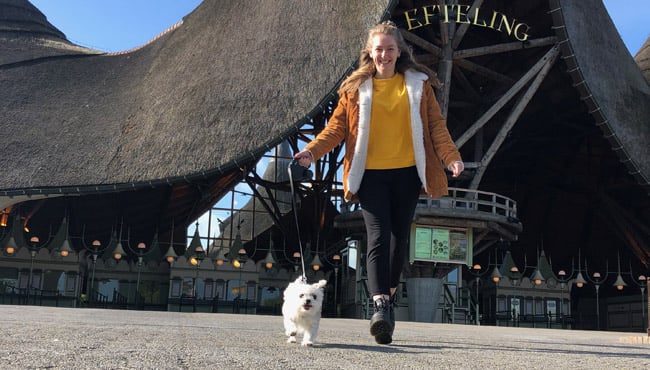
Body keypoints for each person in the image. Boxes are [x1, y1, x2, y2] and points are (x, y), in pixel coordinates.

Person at [293, 21, 464, 344]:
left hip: (408, 172)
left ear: (399, 52)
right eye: (378, 49)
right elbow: (335, 129)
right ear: (369, 53)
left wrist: (450, 157)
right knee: (377, 235)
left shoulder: (418, 85)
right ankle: (380, 305)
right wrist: (311, 153)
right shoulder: (355, 89)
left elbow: (436, 127)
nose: (384, 54)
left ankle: (390, 294)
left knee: (400, 238)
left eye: (389, 49)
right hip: (370, 174)